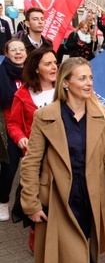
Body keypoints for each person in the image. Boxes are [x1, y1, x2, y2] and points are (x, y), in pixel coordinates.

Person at [20, 57, 105, 263]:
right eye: (82, 78)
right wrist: (30, 203)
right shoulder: (45, 116)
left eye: (90, 77)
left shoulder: (102, 115)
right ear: (65, 83)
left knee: (74, 261)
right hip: (58, 200)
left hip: (91, 199)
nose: (89, 82)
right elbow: (31, 163)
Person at [7, 46, 57, 251]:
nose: (54, 66)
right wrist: (20, 138)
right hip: (36, 159)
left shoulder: (64, 88)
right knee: (38, 201)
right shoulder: (23, 94)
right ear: (36, 68)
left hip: (62, 156)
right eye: (48, 63)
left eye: (55, 62)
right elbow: (13, 124)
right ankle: (37, 243)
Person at [0, 40, 27, 221]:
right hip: (9, 127)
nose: (18, 52)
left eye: (21, 49)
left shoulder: (34, 72)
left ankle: (23, 205)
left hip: (31, 127)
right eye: (13, 50)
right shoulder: (1, 72)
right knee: (9, 169)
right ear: (7, 53)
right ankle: (2, 202)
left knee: (33, 170)